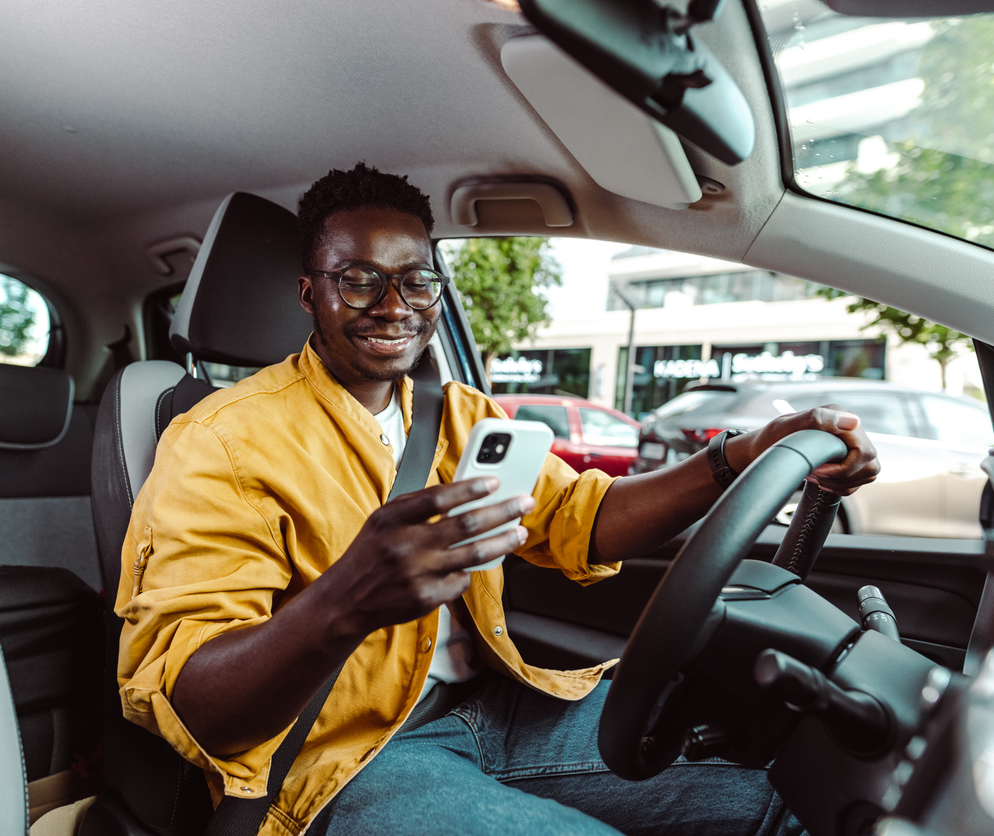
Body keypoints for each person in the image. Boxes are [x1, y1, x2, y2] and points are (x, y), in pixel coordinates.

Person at [114, 163, 880, 836]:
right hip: (343, 761)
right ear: (308, 292)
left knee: (781, 787)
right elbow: (191, 699)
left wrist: (738, 453)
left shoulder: (461, 415)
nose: (393, 304)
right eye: (358, 278)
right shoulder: (221, 438)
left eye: (415, 279)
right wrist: (345, 600)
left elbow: (582, 520)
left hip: (501, 708)